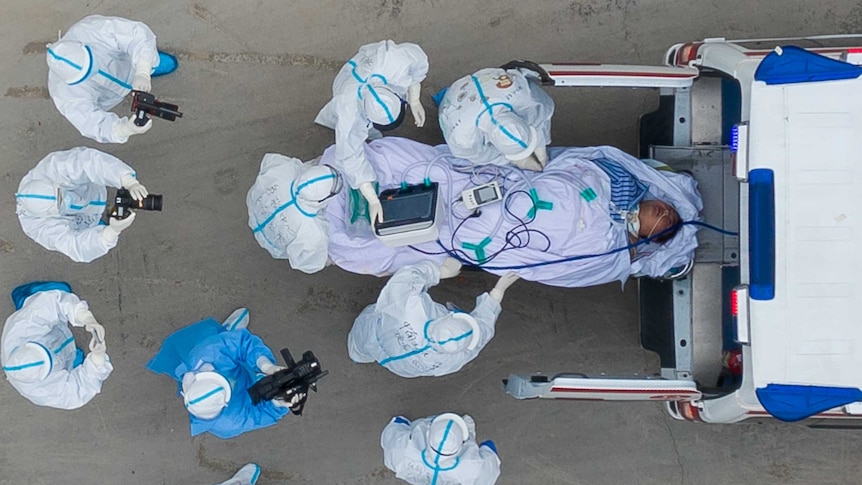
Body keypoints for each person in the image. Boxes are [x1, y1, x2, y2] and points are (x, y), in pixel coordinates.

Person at [315, 40, 429, 225]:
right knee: (356, 136)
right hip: (350, 79)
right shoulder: (349, 112)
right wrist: (372, 199)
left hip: (372, 62)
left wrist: (414, 99)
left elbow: (417, 61)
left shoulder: (394, 63)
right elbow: (350, 156)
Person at [146, 308, 302, 439]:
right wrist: (277, 404)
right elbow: (259, 415)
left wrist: (266, 365)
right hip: (247, 389)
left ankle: (226, 333)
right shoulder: (230, 423)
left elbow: (241, 344)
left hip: (230, 362)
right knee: (228, 347)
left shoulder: (207, 354)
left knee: (223, 341)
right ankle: (228, 334)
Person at [347, 259, 519, 378]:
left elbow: (409, 277)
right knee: (369, 344)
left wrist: (440, 271)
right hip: (403, 367)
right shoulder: (453, 357)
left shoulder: (409, 309)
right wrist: (497, 292)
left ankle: (357, 354)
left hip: (374, 331)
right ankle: (359, 355)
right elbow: (483, 330)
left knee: (361, 342)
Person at [46, 14, 178, 143]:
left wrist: (143, 70)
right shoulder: (64, 94)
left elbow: (135, 35)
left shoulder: (90, 30)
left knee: (144, 57)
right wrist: (123, 129)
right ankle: (143, 67)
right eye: (86, 75)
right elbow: (90, 123)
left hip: (125, 64)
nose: (93, 72)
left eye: (91, 64)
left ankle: (145, 63)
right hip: (108, 94)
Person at [16, 147, 150, 263]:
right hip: (84, 221)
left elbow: (88, 163)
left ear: (54, 184)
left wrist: (126, 179)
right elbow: (74, 245)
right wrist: (110, 233)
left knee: (83, 167)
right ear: (48, 215)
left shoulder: (53, 169)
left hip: (94, 190)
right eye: (60, 204)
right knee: (98, 234)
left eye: (61, 194)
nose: (69, 199)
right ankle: (102, 224)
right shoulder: (40, 228)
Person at [1, 281, 112, 410]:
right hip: (62, 349)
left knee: (56, 292)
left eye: (44, 350)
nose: (52, 353)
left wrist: (84, 316)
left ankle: (25, 298)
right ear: (41, 379)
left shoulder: (21, 329)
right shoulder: (44, 392)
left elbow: (53, 303)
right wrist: (98, 360)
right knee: (80, 370)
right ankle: (72, 357)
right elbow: (81, 391)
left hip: (54, 335)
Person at [438, 67, 554, 171]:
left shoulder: (521, 93)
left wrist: (539, 144)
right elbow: (481, 155)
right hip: (455, 97)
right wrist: (518, 161)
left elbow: (540, 112)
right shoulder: (463, 137)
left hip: (490, 84)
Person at [246, 153, 342, 273]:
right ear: (321, 200)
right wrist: (327, 259)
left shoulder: (283, 171)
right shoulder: (312, 232)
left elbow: (270, 161)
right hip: (276, 244)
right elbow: (308, 263)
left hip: (258, 211)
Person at [381, 413, 501, 485]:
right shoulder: (473, 468)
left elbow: (395, 426)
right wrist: (484, 449)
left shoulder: (404, 450)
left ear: (428, 434)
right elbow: (490, 453)